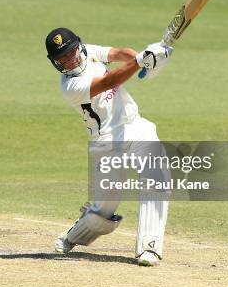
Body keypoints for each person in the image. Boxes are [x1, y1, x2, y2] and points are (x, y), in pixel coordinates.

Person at [45, 27, 171, 266]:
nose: (69, 60)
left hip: (135, 126)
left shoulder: (87, 52)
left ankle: (149, 247)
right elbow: (110, 80)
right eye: (61, 58)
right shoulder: (70, 86)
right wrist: (138, 62)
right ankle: (76, 234)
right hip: (106, 141)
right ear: (55, 62)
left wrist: (147, 58)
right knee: (104, 207)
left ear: (78, 46)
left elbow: (117, 54)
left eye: (71, 52)